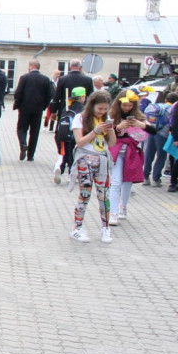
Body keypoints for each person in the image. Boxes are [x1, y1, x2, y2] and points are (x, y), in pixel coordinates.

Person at [67, 90, 116, 244]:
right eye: (99, 108)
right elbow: (79, 142)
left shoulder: (105, 119)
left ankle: (105, 228)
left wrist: (111, 129)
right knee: (85, 195)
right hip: (85, 159)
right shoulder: (80, 118)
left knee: (104, 195)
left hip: (102, 160)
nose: (102, 111)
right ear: (92, 105)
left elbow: (112, 144)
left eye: (105, 109)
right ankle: (77, 227)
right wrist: (96, 131)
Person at [107, 90, 153, 225]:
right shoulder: (111, 116)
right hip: (116, 152)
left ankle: (123, 207)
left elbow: (152, 131)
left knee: (128, 181)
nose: (128, 108)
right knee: (116, 182)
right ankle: (113, 213)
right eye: (125, 105)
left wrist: (140, 124)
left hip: (132, 152)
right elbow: (103, 133)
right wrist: (117, 127)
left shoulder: (138, 116)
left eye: (130, 105)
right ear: (119, 104)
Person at [13, 59, 54, 161]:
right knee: (34, 132)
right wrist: (43, 106)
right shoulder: (45, 79)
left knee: (21, 129)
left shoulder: (24, 77)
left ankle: (23, 144)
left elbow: (18, 93)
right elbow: (50, 95)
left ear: (31, 66)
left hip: (24, 108)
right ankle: (30, 156)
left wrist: (18, 104)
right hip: (38, 109)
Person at [54, 86, 86, 184]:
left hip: (64, 135)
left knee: (65, 155)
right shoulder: (83, 109)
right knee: (74, 155)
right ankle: (71, 175)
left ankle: (60, 169)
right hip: (75, 135)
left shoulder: (68, 107)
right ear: (81, 97)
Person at [142, 92, 175, 187]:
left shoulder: (158, 106)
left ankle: (145, 177)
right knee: (161, 156)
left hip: (151, 132)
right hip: (163, 135)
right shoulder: (172, 109)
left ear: (166, 100)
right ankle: (156, 178)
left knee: (149, 154)